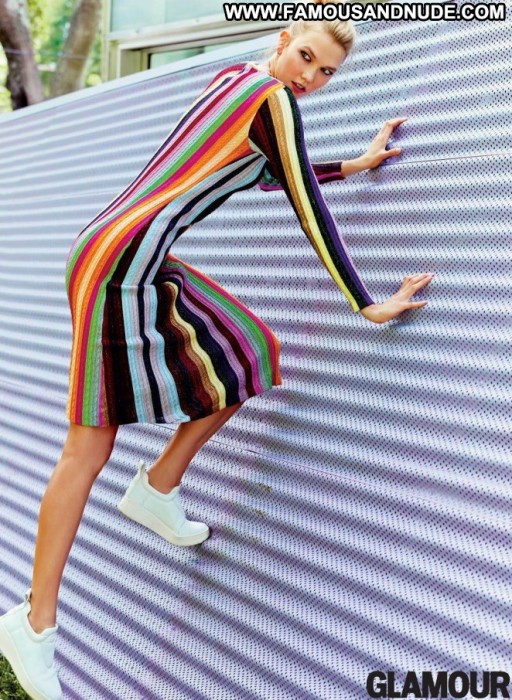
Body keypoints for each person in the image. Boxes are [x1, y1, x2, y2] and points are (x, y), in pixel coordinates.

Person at [0, 6, 434, 699]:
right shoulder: (272, 98)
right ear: (283, 41)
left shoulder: (237, 80)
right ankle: (33, 624)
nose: (312, 77)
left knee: (249, 352)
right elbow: (302, 200)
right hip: (122, 266)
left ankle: (158, 487)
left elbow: (263, 175)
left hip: (126, 255)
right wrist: (365, 301)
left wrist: (355, 163)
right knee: (87, 447)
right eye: (307, 58)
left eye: (327, 72)